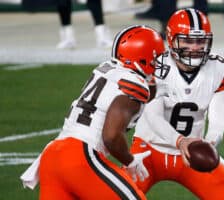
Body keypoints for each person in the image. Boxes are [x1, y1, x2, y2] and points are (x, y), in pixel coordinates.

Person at [20, 25, 165, 200]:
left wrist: (151, 82)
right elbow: (111, 137)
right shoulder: (134, 86)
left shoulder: (106, 69)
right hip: (79, 157)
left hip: (52, 156)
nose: (158, 63)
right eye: (155, 57)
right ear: (143, 57)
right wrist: (130, 160)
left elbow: (137, 96)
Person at [129, 8, 224, 199]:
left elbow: (217, 120)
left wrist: (210, 143)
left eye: (200, 41)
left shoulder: (219, 68)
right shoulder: (156, 65)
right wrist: (180, 141)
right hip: (148, 150)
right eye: (188, 40)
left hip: (192, 154)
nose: (195, 47)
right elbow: (153, 117)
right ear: (171, 40)